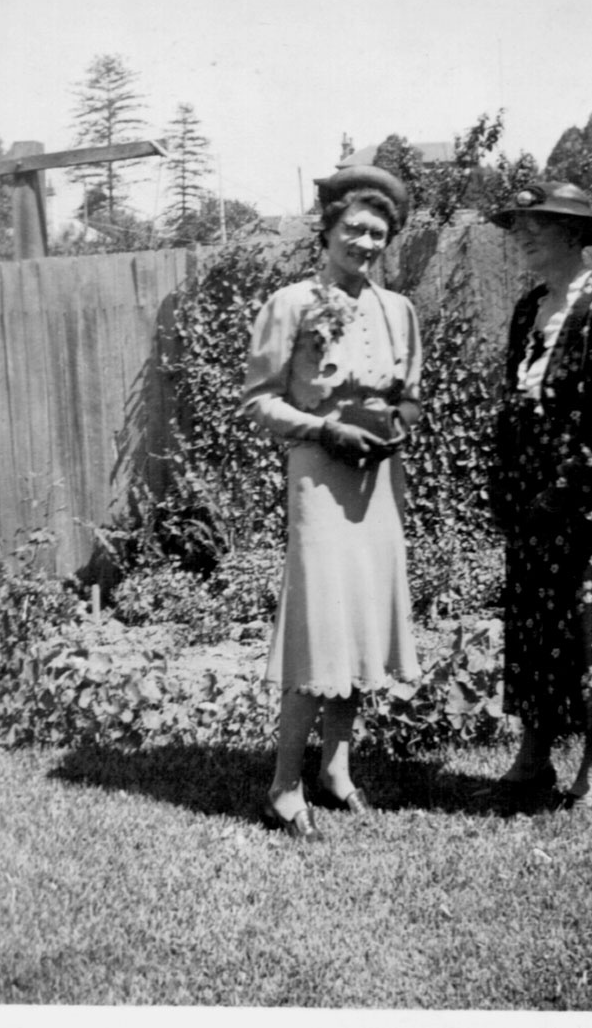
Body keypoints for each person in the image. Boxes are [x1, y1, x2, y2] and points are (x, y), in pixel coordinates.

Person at [242, 165, 421, 841]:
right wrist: (323, 428)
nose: (365, 242)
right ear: (327, 230)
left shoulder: (397, 308)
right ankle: (284, 786)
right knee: (319, 629)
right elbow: (259, 399)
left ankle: (336, 770)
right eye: (354, 228)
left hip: (376, 483)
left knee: (360, 623)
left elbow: (410, 390)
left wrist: (395, 425)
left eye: (378, 232)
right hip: (319, 478)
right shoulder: (290, 303)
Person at [488, 181, 592, 808]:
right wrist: (509, 488)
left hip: (588, 500)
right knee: (534, 626)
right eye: (518, 225)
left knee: (591, 630)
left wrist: (563, 493)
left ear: (574, 234)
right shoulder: (531, 307)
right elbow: (514, 404)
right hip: (532, 500)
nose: (523, 234)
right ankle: (532, 761)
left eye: (538, 224)